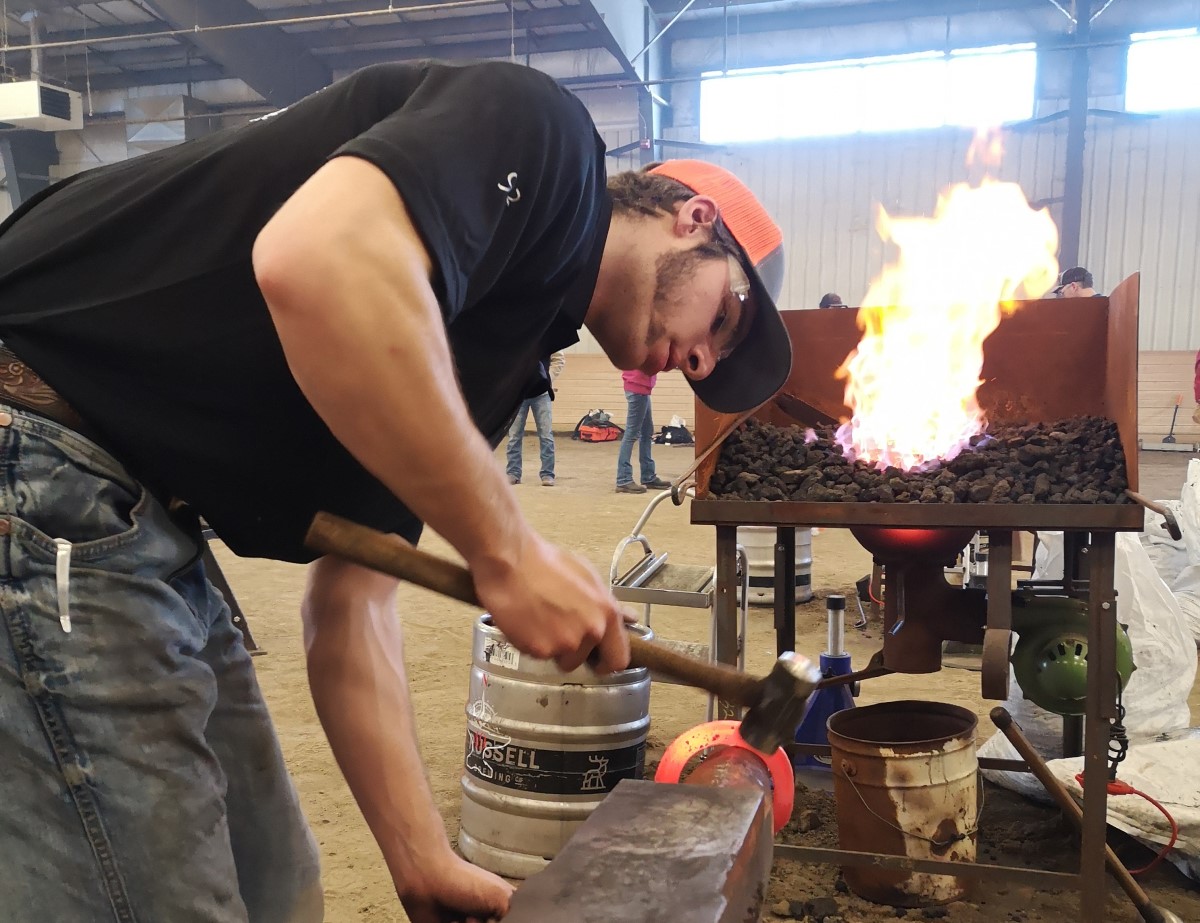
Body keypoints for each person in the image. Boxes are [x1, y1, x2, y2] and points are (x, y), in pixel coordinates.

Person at [0, 61, 792, 923]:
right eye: (727, 316)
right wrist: (507, 550)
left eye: (720, 362)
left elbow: (352, 605)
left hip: (142, 513)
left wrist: (419, 853)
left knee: (279, 890)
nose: (705, 361)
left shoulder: (495, 357)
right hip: (38, 452)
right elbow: (316, 259)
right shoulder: (543, 134)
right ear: (695, 220)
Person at [505, 351, 565, 486]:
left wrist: (547, 379)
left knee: (546, 435)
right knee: (514, 436)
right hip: (517, 395)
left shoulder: (547, 336)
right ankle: (513, 473)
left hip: (542, 394)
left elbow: (559, 359)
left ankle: (547, 474)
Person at [615, 369, 672, 494]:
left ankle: (648, 476)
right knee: (631, 434)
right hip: (638, 388)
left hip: (641, 388)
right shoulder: (644, 348)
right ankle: (623, 479)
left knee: (646, 432)